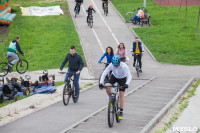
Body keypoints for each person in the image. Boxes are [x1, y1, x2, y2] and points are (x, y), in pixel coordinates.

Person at [99, 55, 132, 120]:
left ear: (119, 62)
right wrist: (101, 82)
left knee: (121, 94)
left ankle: (121, 111)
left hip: (122, 78)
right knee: (107, 86)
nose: (115, 66)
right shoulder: (111, 65)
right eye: (114, 65)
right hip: (114, 76)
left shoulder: (124, 66)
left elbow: (129, 76)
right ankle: (112, 99)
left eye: (116, 65)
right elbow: (104, 73)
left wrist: (127, 84)